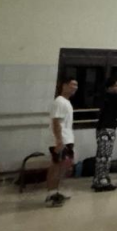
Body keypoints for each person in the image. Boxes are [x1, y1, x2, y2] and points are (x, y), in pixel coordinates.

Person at [47, 77, 78, 207]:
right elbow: (56, 122)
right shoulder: (59, 101)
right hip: (61, 140)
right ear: (64, 86)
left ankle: (56, 191)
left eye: (76, 85)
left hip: (67, 139)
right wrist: (59, 140)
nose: (75, 87)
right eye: (72, 84)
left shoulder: (66, 102)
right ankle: (51, 195)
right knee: (56, 167)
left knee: (62, 168)